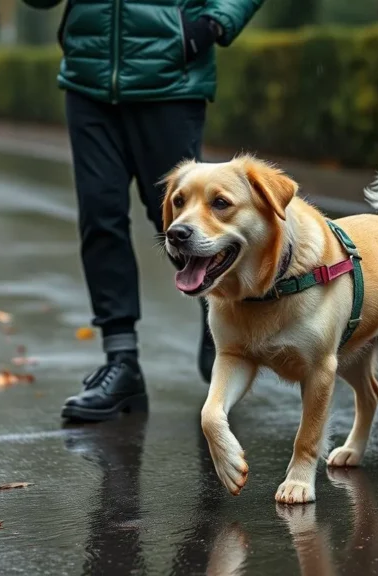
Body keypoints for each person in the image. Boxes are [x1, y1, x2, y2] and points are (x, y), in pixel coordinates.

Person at [21, 0, 264, 422]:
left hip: (168, 77)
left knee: (180, 221)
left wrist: (210, 24)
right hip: (90, 77)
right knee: (100, 217)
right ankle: (121, 363)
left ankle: (220, 320)